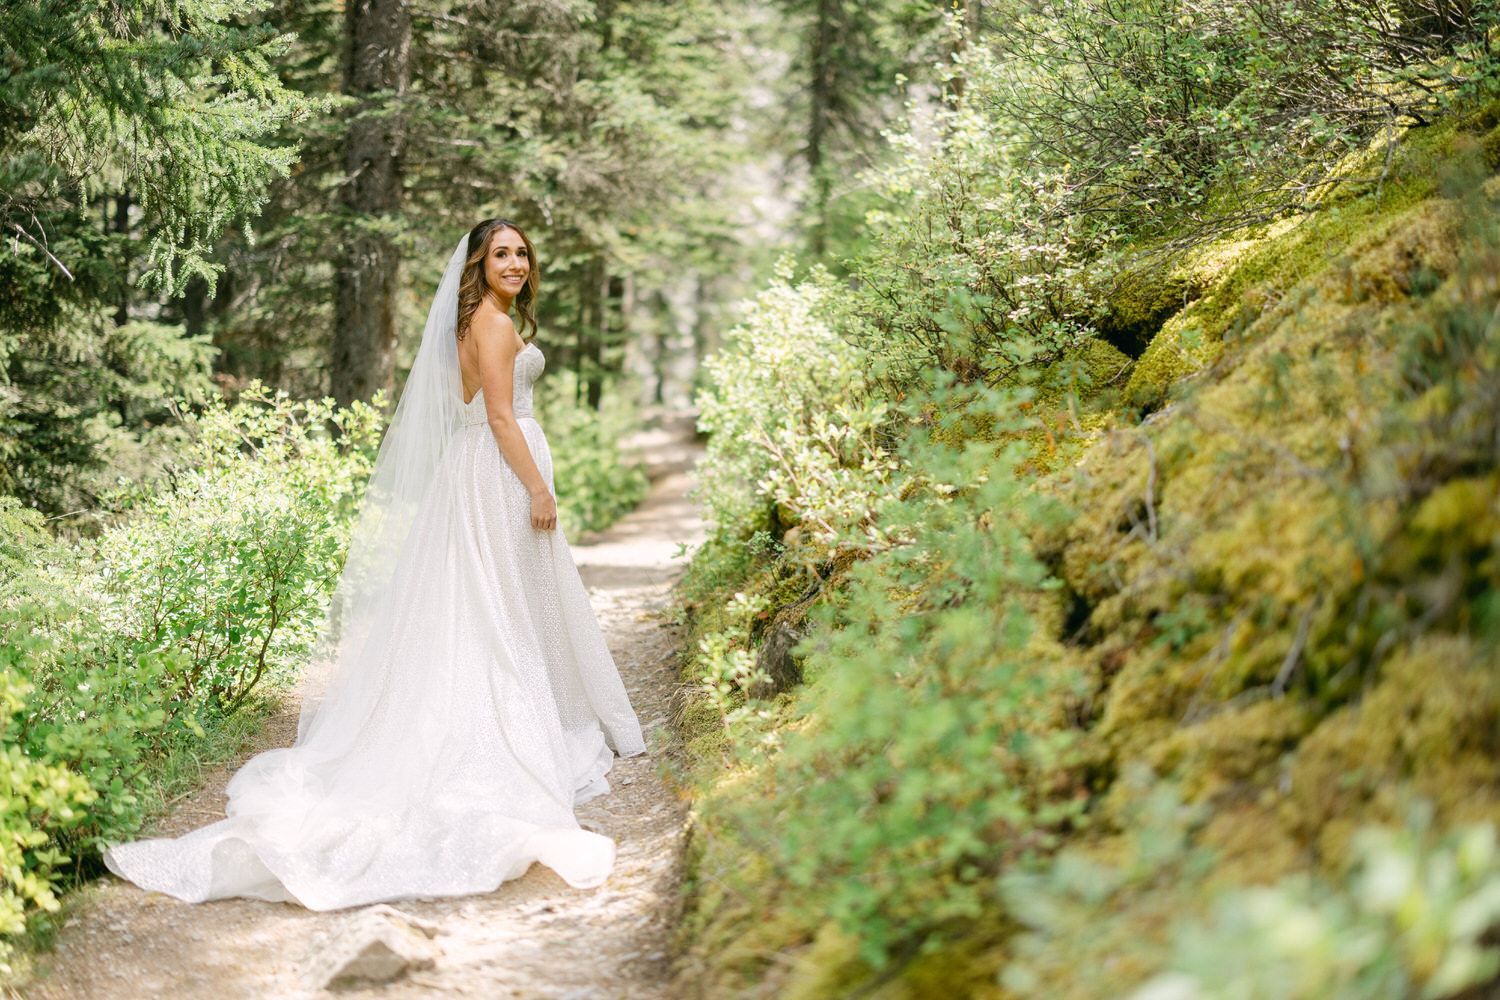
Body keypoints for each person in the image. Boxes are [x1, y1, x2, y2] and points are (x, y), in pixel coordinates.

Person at [103, 220, 647, 910]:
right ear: (478, 265)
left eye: (521, 253)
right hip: (500, 470)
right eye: (500, 254)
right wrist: (538, 486)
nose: (515, 263)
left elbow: (466, 402)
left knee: (487, 600)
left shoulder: (473, 321)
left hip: (473, 468)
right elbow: (502, 417)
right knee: (503, 601)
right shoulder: (496, 323)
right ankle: (504, 724)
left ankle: (513, 707)